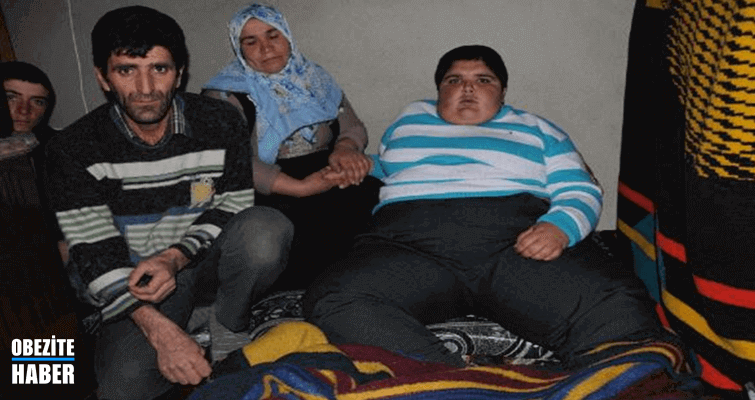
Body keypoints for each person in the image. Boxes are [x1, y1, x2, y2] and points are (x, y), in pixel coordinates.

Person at [304, 45, 671, 369]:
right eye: (454, 80)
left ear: (502, 92)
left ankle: (616, 382)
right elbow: (393, 169)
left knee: (617, 304)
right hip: (408, 244)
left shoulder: (538, 129)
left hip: (514, 243)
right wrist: (357, 162)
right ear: (439, 90)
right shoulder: (406, 124)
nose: (467, 88)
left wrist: (560, 227)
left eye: (483, 80)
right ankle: (449, 380)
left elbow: (580, 186)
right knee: (335, 297)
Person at [44, 6, 293, 400]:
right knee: (123, 391)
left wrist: (175, 257)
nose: (145, 87)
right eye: (127, 70)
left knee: (266, 228)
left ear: (179, 73)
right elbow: (92, 251)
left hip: (201, 258)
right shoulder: (71, 149)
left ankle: (228, 322)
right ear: (103, 77)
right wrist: (160, 332)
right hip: (135, 282)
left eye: (159, 69)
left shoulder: (220, 121)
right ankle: (186, 320)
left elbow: (234, 203)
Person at [203, 3, 381, 289]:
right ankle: (303, 296)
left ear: (287, 37)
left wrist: (346, 149)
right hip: (268, 184)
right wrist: (301, 188)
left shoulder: (314, 78)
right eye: (251, 41)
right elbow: (233, 161)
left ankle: (362, 288)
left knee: (374, 197)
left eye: (273, 35)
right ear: (239, 48)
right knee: (302, 225)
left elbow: (351, 124)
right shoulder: (225, 94)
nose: (266, 48)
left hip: (326, 168)